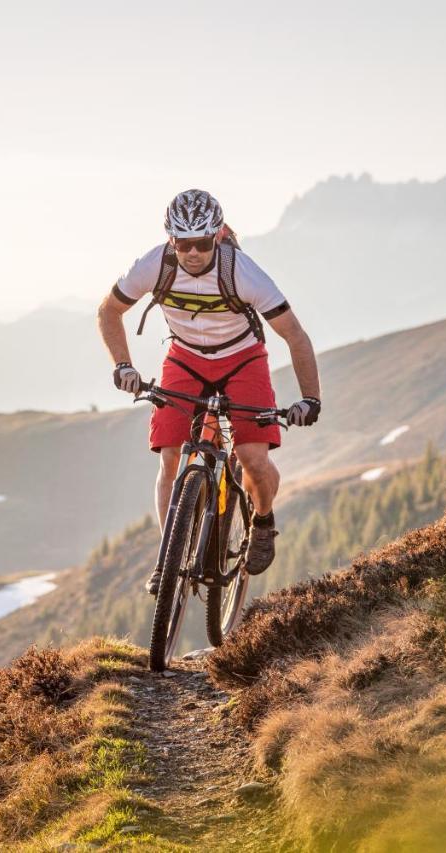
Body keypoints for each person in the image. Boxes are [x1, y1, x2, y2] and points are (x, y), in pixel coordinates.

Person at [97, 189, 322, 594]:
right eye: (184, 244)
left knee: (253, 457)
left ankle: (263, 520)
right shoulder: (154, 265)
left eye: (203, 243)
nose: (194, 253)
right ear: (171, 240)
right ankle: (169, 559)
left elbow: (295, 336)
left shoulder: (243, 272)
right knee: (169, 458)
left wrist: (310, 398)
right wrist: (123, 364)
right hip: (184, 358)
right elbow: (109, 311)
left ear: (218, 236)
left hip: (242, 358)